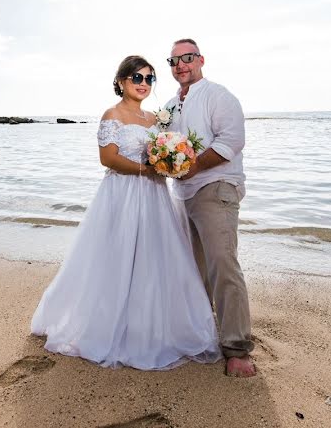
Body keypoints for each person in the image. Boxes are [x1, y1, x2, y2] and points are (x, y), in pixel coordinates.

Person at [31, 55, 220, 370]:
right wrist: (146, 170)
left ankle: (152, 326)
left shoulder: (155, 120)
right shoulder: (112, 114)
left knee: (155, 259)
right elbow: (108, 159)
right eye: (137, 77)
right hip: (122, 194)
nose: (143, 83)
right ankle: (109, 324)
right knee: (117, 258)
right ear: (120, 81)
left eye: (149, 79)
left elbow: (164, 153)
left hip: (156, 197)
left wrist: (171, 163)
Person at [165, 38, 257, 378]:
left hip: (216, 188)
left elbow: (231, 140)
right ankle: (202, 335)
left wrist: (194, 166)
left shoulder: (218, 95)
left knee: (222, 264)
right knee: (194, 270)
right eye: (173, 61)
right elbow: (166, 147)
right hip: (183, 194)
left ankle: (237, 348)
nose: (180, 66)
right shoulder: (170, 105)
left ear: (200, 59)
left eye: (186, 58)